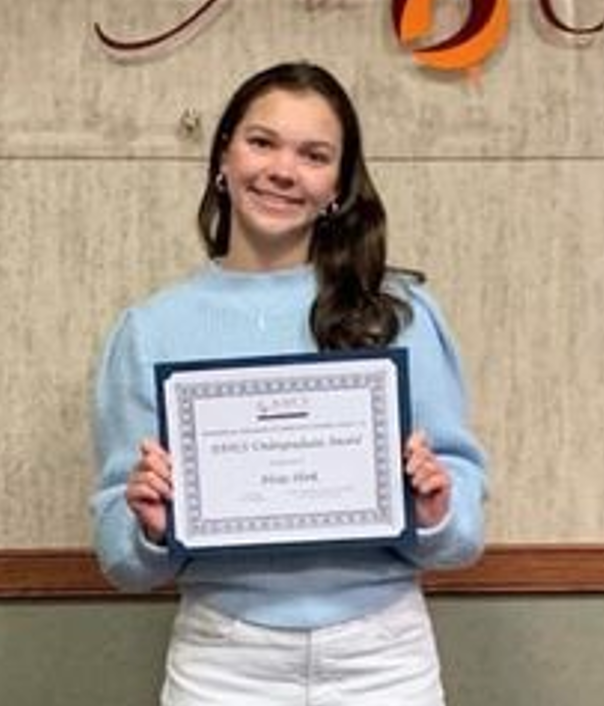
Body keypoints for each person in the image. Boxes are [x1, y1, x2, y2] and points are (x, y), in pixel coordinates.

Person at [91, 61, 487, 706]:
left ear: (337, 184)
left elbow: (463, 532)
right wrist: (151, 528)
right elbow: (121, 557)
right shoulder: (150, 330)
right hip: (222, 662)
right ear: (223, 154)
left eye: (314, 154)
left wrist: (437, 509)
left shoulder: (401, 313)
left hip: (383, 658)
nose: (282, 170)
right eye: (262, 142)